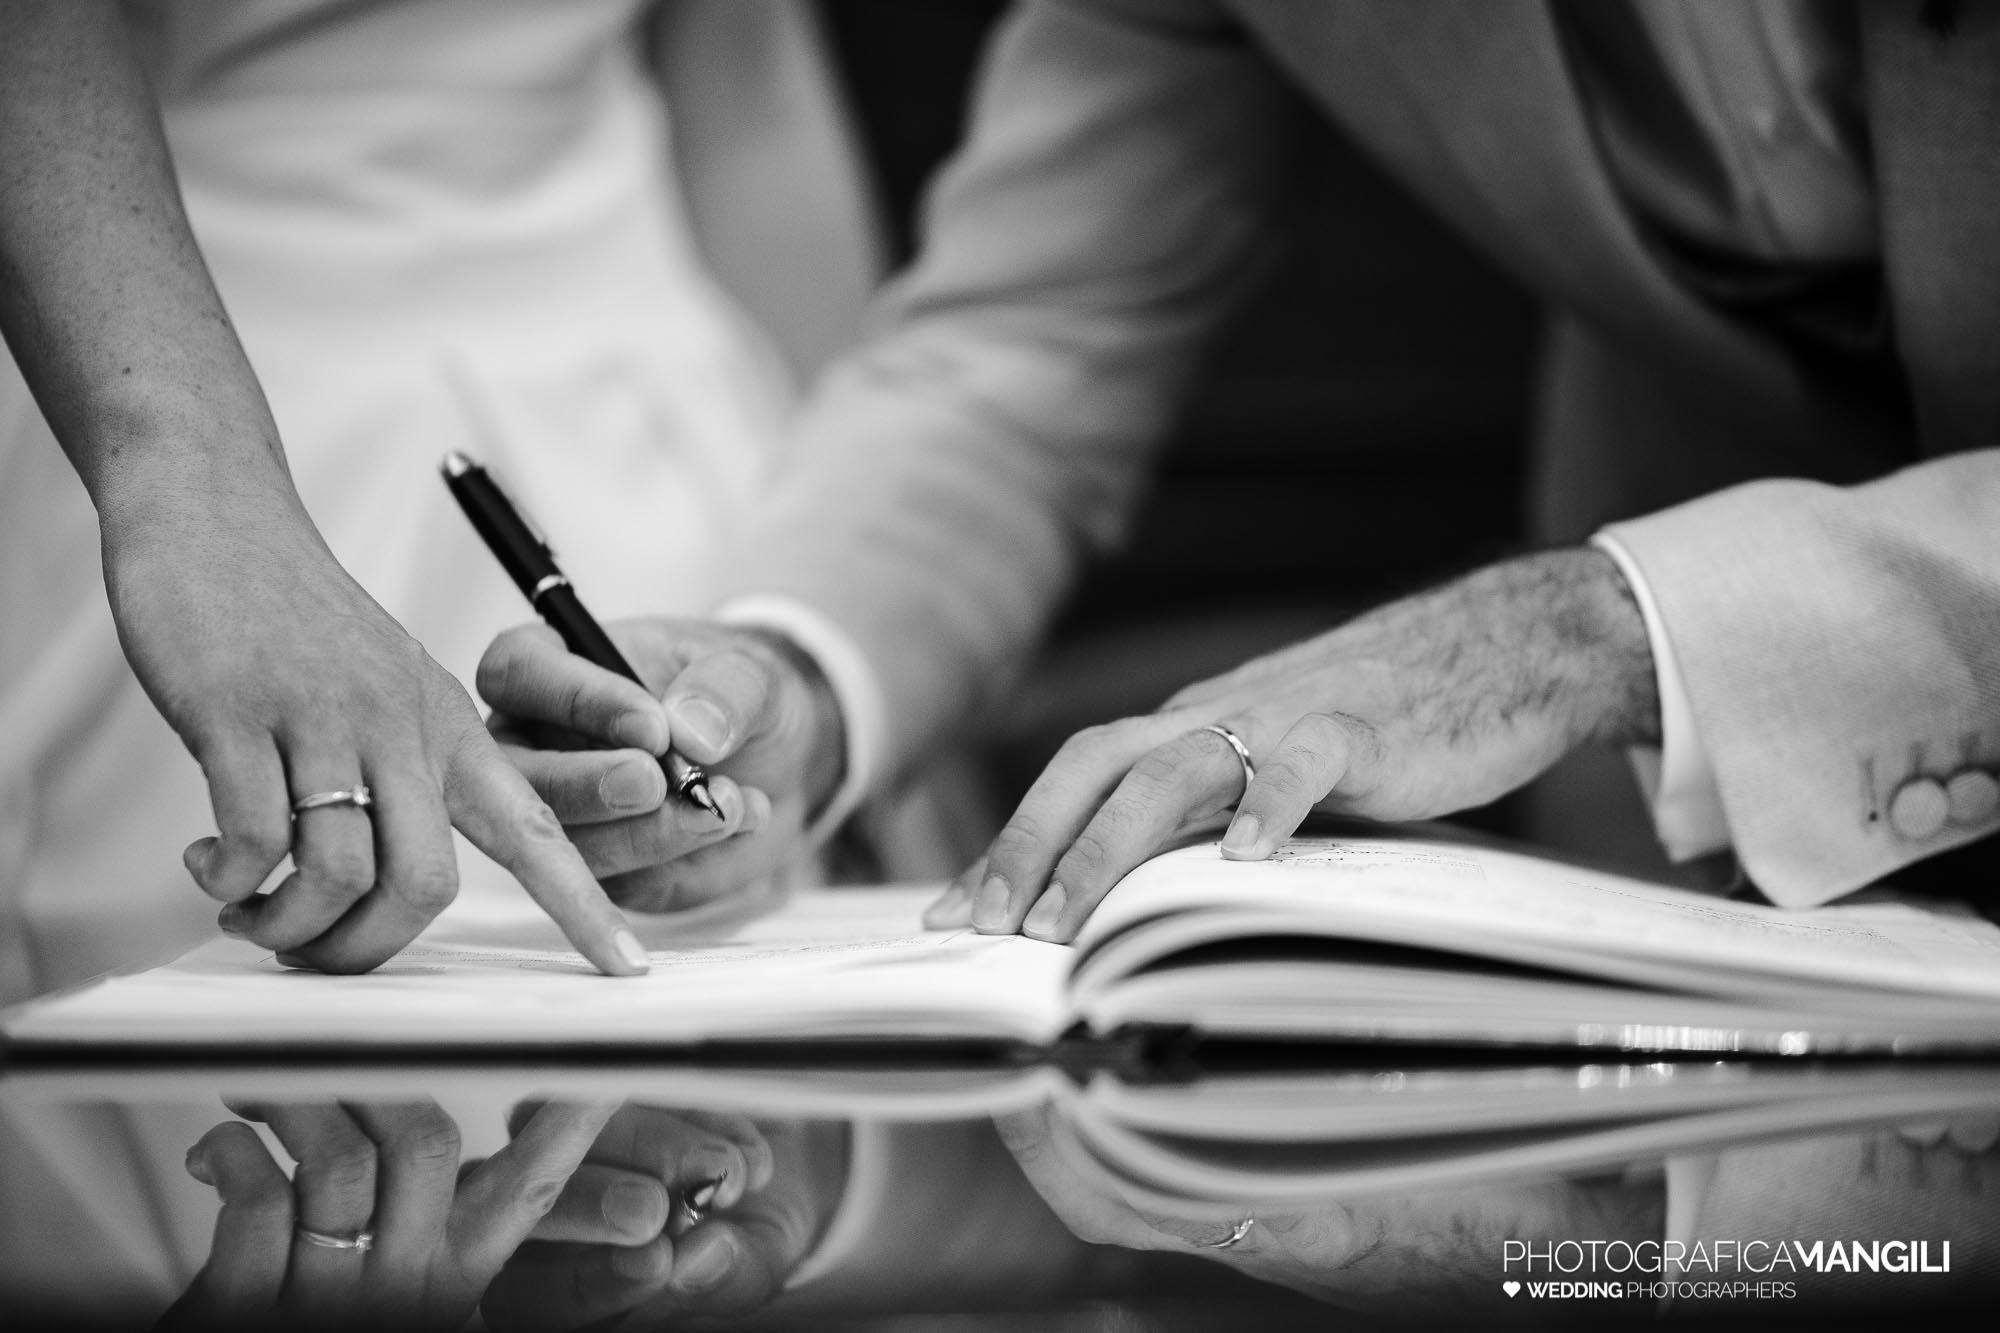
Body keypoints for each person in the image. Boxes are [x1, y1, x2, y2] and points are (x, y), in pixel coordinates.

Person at [480, 0, 2000, 943]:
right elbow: (1037, 334)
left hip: (1692, 707)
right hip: (1700, 866)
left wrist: (1595, 632)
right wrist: (794, 686)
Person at [0, 0, 890, 1000]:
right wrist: (197, 495)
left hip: (660, 411)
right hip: (190, 375)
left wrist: (860, 660)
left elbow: (749, 82)